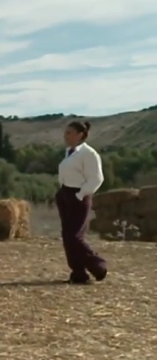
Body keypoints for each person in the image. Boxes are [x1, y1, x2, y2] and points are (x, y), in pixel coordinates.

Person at [56, 120, 107, 284]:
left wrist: (81, 194)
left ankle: (98, 266)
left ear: (80, 135)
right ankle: (78, 273)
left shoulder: (89, 154)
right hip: (65, 194)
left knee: (75, 236)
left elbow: (97, 178)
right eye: (66, 132)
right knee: (67, 235)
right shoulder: (69, 152)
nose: (66, 135)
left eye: (69, 132)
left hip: (78, 195)